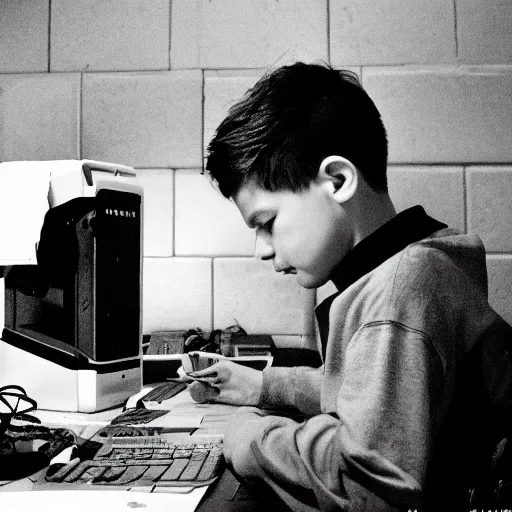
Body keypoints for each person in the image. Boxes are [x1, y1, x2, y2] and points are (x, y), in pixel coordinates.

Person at [187, 62, 512, 511]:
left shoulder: (397, 294)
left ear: (337, 181)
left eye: (267, 222)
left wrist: (250, 438)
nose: (261, 250)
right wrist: (264, 387)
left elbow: (367, 486)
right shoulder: (419, 263)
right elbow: (367, 390)